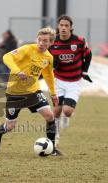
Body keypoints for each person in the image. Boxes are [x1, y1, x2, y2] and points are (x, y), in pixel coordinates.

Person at [0, 27, 62, 156]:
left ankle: (52, 148)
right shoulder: (28, 49)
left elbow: (48, 75)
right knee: (11, 126)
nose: (41, 43)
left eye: (45, 41)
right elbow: (7, 57)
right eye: (40, 40)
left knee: (50, 115)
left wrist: (53, 93)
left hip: (33, 92)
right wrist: (17, 71)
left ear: (51, 43)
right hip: (14, 93)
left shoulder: (48, 58)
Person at [49, 15, 92, 147]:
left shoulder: (79, 41)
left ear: (71, 28)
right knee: (56, 110)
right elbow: (47, 59)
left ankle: (67, 117)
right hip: (58, 80)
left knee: (66, 110)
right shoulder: (52, 42)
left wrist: (84, 71)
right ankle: (55, 136)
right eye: (61, 25)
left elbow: (88, 54)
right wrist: (52, 65)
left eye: (66, 26)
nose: (63, 28)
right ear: (58, 27)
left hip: (74, 81)